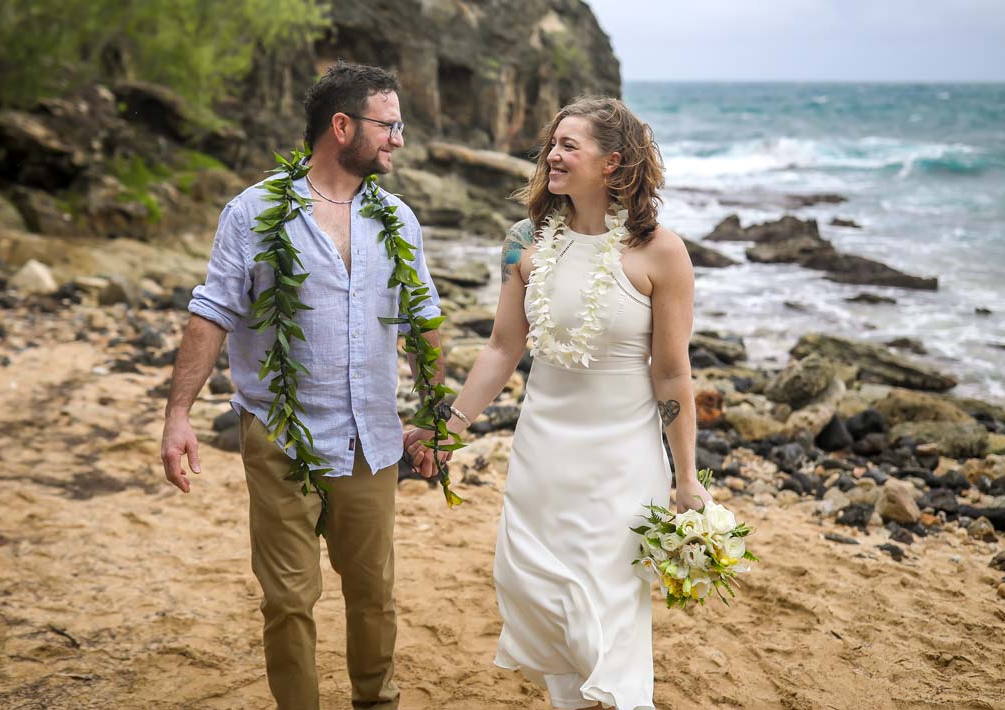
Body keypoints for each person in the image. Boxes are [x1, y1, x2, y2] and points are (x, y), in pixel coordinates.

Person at [406, 96, 710, 709]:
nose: (552, 156)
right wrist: (453, 424)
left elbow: (674, 376)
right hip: (544, 451)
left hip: (623, 459)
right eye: (553, 144)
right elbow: (501, 347)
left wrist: (687, 481)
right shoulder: (524, 243)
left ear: (613, 162)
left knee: (610, 601)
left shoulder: (661, 252)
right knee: (539, 591)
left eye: (569, 146)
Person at [161, 62, 443, 710]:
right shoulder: (255, 211)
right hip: (281, 434)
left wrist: (432, 417)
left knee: (372, 592)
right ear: (342, 127)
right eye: (389, 124)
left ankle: (377, 702)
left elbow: (423, 319)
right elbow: (212, 311)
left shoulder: (397, 219)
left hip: (369, 439)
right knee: (289, 600)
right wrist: (179, 414)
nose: (399, 139)